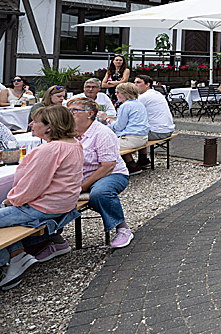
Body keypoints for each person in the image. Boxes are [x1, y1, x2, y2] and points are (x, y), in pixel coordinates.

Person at [0, 105, 83, 290]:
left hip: (40, 209)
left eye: (35, 121)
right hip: (60, 204)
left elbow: (32, 188)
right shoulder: (73, 144)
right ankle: (17, 254)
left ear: (49, 127)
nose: (30, 124)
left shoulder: (50, 150)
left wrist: (8, 202)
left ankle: (2, 263)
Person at [67, 97, 134, 250]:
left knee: (100, 193)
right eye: (68, 110)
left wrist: (83, 186)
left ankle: (122, 228)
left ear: (90, 114)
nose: (70, 114)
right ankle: (53, 239)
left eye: (74, 111)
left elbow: (107, 166)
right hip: (81, 176)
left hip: (111, 174)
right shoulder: (69, 133)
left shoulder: (102, 133)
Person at [134, 75, 174, 170]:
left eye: (138, 82)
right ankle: (143, 159)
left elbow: (132, 114)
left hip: (158, 132)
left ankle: (130, 164)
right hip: (167, 129)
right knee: (139, 129)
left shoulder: (144, 97)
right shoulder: (156, 93)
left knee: (128, 135)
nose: (135, 85)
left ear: (147, 85)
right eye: (134, 82)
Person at [111, 82, 150, 174]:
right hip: (143, 137)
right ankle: (134, 163)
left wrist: (108, 120)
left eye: (118, 92)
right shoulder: (138, 103)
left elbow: (119, 127)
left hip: (133, 139)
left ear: (125, 94)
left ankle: (131, 165)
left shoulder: (125, 106)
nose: (116, 94)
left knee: (107, 145)